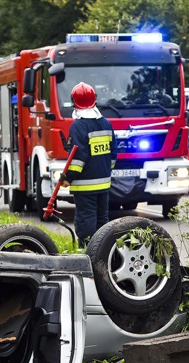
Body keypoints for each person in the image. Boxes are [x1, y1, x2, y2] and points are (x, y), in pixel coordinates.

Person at [59, 82, 118, 246]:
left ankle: (86, 253)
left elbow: (79, 157)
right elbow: (113, 154)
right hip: (104, 184)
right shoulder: (106, 123)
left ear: (74, 101)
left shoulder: (78, 126)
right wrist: (105, 171)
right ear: (95, 100)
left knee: (86, 220)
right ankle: (103, 252)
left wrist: (68, 177)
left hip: (85, 187)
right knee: (102, 220)